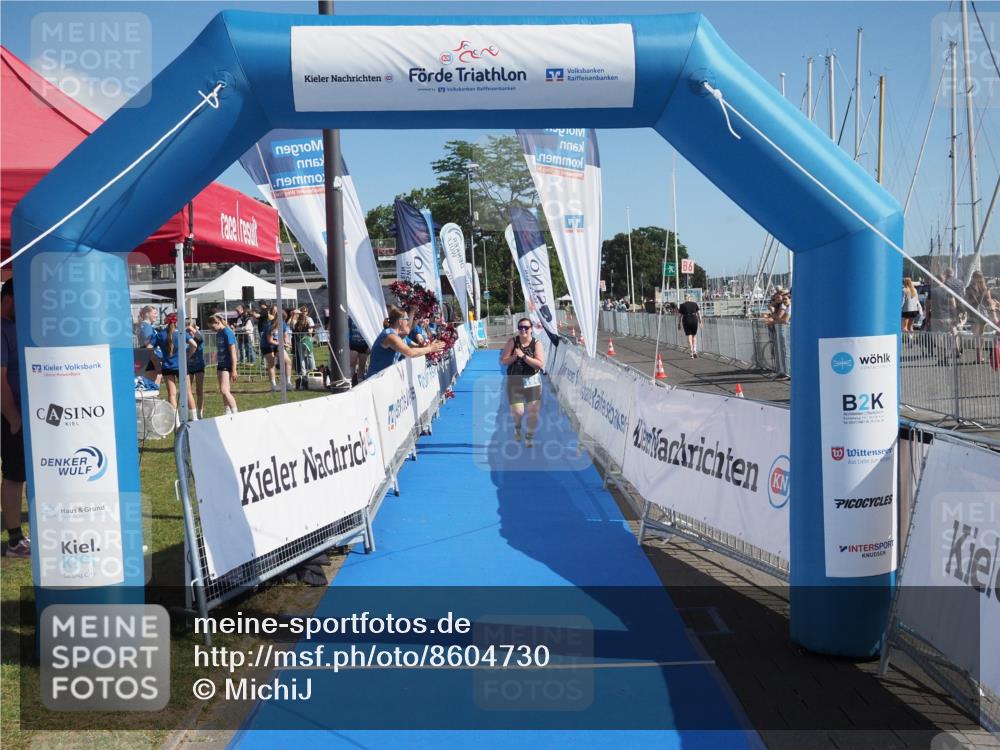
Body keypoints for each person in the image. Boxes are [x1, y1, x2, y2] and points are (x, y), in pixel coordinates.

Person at [1, 280, 29, 558]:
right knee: (13, 476)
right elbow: (0, 381)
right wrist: (13, 418)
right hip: (11, 416)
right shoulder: (1, 329)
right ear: (9, 299)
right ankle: (14, 541)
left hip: (24, 414)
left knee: (21, 473)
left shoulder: (14, 327)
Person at [500, 317, 546, 447]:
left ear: (531, 329)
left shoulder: (536, 344)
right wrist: (514, 356)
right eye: (520, 328)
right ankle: (518, 427)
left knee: (533, 413)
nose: (523, 330)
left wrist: (524, 356)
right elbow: (503, 361)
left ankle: (529, 436)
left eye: (526, 328)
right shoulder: (512, 342)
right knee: (519, 411)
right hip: (515, 380)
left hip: (532, 380)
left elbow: (540, 364)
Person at [366, 306, 445, 379]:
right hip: (375, 379)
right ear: (400, 321)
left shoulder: (396, 335)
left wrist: (429, 346)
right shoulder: (390, 336)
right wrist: (430, 349)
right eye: (407, 319)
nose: (408, 322)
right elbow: (410, 352)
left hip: (383, 378)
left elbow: (412, 348)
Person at [154, 313, 197, 420]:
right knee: (188, 392)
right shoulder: (181, 333)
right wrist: (187, 356)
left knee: (171, 394)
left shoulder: (160, 335)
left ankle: (176, 420)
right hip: (181, 366)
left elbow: (150, 348)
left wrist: (158, 358)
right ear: (177, 322)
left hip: (167, 367)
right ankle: (194, 417)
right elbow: (194, 345)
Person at [966, 271, 997, 364]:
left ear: (973, 277)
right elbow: (988, 301)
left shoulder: (969, 288)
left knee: (976, 335)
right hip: (983, 314)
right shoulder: (985, 289)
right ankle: (980, 357)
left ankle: (979, 357)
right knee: (981, 335)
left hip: (974, 314)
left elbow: (969, 301)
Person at [209, 314, 239, 414]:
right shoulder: (219, 333)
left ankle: (235, 412)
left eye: (213, 326)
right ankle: (227, 411)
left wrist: (234, 370)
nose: (212, 329)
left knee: (224, 390)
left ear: (218, 322)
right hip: (220, 365)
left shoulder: (228, 333)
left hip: (227, 365)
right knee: (224, 391)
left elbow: (233, 353)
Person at [186, 318, 206, 419]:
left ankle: (199, 412)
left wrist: (193, 329)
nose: (189, 332)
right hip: (188, 367)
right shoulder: (185, 338)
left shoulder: (198, 337)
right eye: (187, 330)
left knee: (199, 390)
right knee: (187, 390)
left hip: (198, 366)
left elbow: (200, 338)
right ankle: (191, 412)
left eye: (190, 330)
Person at [136, 305, 162, 383]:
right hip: (150, 359)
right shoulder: (146, 327)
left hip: (148, 358)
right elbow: (148, 346)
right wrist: (156, 363)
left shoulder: (146, 326)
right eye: (154, 313)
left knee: (152, 385)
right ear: (147, 314)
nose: (156, 316)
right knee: (153, 386)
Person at [677, 294, 702, 358]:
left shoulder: (682, 305)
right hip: (694, 319)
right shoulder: (694, 304)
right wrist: (700, 322)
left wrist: (679, 324)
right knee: (694, 336)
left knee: (689, 336)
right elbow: (699, 313)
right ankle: (695, 350)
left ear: (685, 298)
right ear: (690, 298)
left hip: (686, 320)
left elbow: (679, 316)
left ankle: (691, 351)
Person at [348, 317, 370, 385]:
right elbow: (347, 330)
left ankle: (360, 381)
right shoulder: (350, 318)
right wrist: (346, 341)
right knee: (352, 362)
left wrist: (369, 345)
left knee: (362, 364)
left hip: (364, 345)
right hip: (353, 344)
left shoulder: (366, 318)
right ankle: (349, 380)